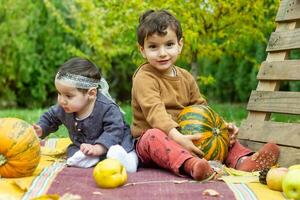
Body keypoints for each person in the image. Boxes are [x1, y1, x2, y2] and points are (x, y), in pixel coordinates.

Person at [131, 9, 280, 181]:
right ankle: (192, 165)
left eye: (169, 44)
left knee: (221, 139)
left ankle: (244, 161)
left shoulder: (186, 77)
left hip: (189, 134)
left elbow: (201, 106)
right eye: (153, 47)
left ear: (180, 45)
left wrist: (223, 127)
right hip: (154, 143)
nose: (162, 53)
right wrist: (178, 138)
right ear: (142, 50)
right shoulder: (144, 77)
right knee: (153, 136)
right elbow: (155, 113)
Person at [33, 57, 138, 172]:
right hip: (84, 146)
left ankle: (127, 162)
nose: (62, 100)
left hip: (116, 144)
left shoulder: (107, 108)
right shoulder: (65, 107)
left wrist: (99, 148)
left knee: (122, 150)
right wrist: (41, 128)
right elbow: (50, 117)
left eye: (68, 96)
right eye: (59, 93)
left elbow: (115, 130)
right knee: (73, 152)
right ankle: (91, 158)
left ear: (91, 93)